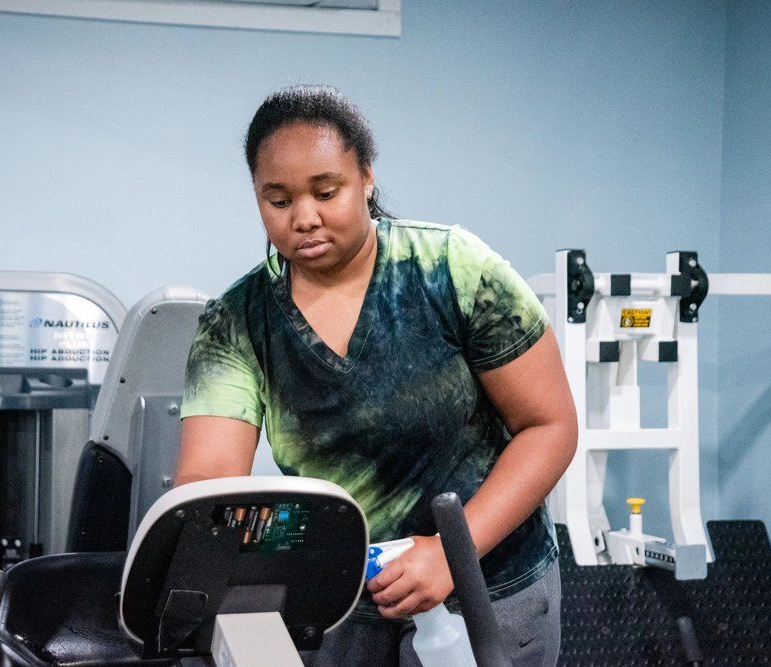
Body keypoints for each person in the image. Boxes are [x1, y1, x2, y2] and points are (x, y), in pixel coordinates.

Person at [175, 84, 577, 666]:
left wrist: (447, 555)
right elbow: (211, 485)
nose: (304, 218)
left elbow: (550, 426)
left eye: (326, 191)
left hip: (490, 590)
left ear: (366, 177)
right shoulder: (236, 322)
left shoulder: (453, 270)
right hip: (342, 607)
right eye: (278, 200)